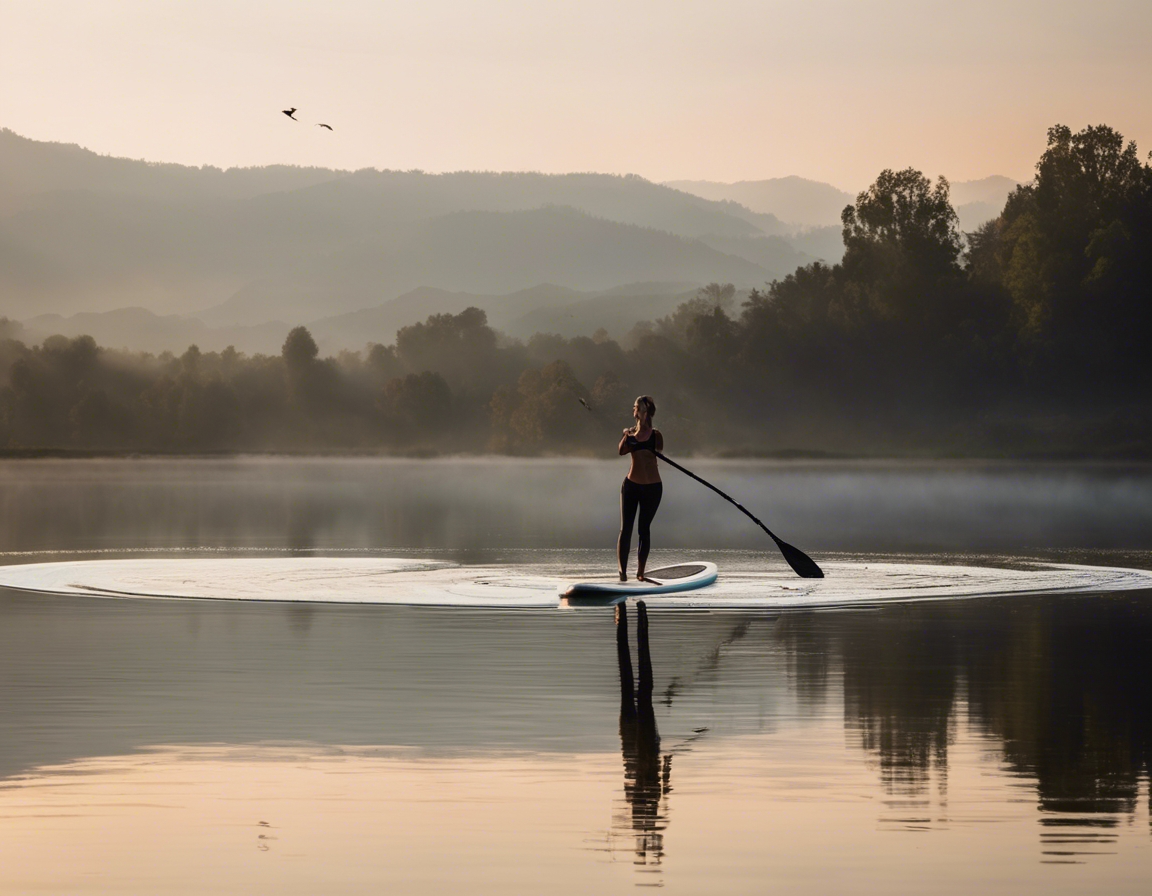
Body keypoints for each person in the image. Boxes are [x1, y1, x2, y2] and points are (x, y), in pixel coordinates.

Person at [617, 395, 663, 582]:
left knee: (644, 529)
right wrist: (626, 436)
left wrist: (641, 440)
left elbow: (659, 450)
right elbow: (621, 451)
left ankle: (641, 572)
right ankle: (623, 573)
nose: (633, 410)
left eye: (635, 407)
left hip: (652, 488)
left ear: (644, 411)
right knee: (626, 529)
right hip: (631, 486)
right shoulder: (630, 436)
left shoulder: (656, 435)